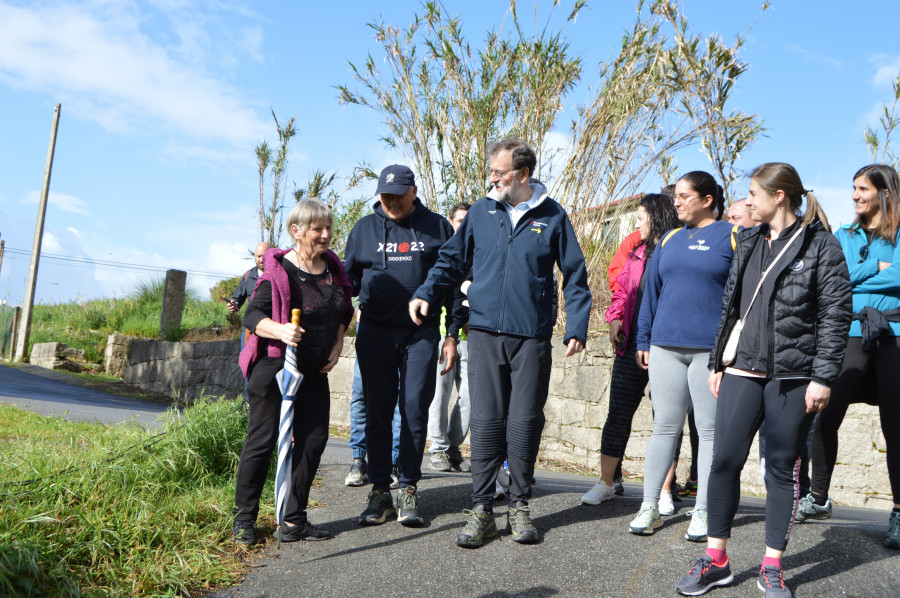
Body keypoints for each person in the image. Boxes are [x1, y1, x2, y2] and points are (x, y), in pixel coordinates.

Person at [675, 162, 851, 597]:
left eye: (754, 193)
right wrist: (718, 361)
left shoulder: (821, 246)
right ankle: (716, 560)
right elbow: (731, 307)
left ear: (779, 196)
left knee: (780, 470)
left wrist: (823, 377)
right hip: (741, 370)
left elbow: (835, 316)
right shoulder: (749, 241)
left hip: (793, 378)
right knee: (723, 462)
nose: (747, 200)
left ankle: (772, 566)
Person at [410, 136, 592, 548]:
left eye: (499, 172)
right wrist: (425, 291)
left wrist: (576, 325)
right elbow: (451, 260)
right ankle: (481, 511)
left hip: (531, 337)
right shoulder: (481, 211)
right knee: (488, 422)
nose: (492, 179)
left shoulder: (553, 216)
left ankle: (520, 506)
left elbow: (575, 273)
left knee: (524, 422)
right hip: (486, 331)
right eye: (491, 171)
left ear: (522, 174)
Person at [343, 164, 459, 528]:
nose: (391, 201)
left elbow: (454, 284)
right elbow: (346, 282)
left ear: (413, 191)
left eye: (398, 194)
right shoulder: (363, 229)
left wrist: (452, 333)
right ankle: (380, 490)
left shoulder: (437, 226)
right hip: (375, 333)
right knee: (377, 410)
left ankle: (408, 486)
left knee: (413, 410)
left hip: (420, 334)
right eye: (385, 195)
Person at [232, 200, 354, 545]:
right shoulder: (279, 271)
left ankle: (293, 519)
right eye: (318, 229)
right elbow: (252, 316)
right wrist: (281, 330)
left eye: (329, 227)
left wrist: (338, 341)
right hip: (276, 367)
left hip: (315, 369)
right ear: (296, 231)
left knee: (314, 439)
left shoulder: (333, 268)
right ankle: (244, 520)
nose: (326, 234)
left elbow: (345, 308)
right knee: (264, 439)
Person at [630, 171, 736, 541]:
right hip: (664, 346)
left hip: (710, 351)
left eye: (684, 196)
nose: (676, 202)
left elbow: (740, 299)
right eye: (675, 196)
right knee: (664, 428)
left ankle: (703, 510)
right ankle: (648, 505)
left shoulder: (732, 237)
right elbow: (650, 294)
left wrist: (727, 354)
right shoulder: (671, 238)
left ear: (708, 200)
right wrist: (643, 338)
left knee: (708, 432)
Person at [801, 164, 900, 550]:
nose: (855, 195)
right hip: (852, 333)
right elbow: (834, 277)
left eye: (862, 189)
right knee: (825, 412)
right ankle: (820, 498)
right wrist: (877, 267)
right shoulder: (843, 234)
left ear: (884, 193)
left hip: (895, 333)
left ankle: (898, 511)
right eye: (853, 188)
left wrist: (859, 274)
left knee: (895, 425)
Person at [581, 194, 679, 506]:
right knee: (618, 414)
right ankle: (606, 482)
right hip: (630, 344)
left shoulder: (678, 251)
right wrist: (614, 318)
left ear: (657, 217)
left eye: (640, 218)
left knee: (666, 419)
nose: (637, 224)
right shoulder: (635, 252)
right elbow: (621, 289)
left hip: (666, 346)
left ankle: (664, 490)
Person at [428, 202, 472, 473]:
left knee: (470, 396)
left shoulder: (480, 253)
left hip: (472, 337)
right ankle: (438, 449)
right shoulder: (442, 254)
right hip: (443, 336)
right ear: (451, 223)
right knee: (439, 395)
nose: (463, 225)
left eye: (468, 221)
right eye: (459, 221)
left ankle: (454, 445)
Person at [344, 309, 403, 488]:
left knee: (399, 396)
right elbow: (352, 282)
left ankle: (393, 463)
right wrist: (359, 306)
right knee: (361, 393)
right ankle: (359, 459)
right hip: (370, 320)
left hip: (402, 322)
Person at [228, 242, 270, 315]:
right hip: (250, 324)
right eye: (259, 256)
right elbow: (237, 300)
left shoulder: (279, 276)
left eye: (264, 256)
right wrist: (234, 305)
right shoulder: (248, 275)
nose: (261, 260)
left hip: (271, 323)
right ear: (255, 257)